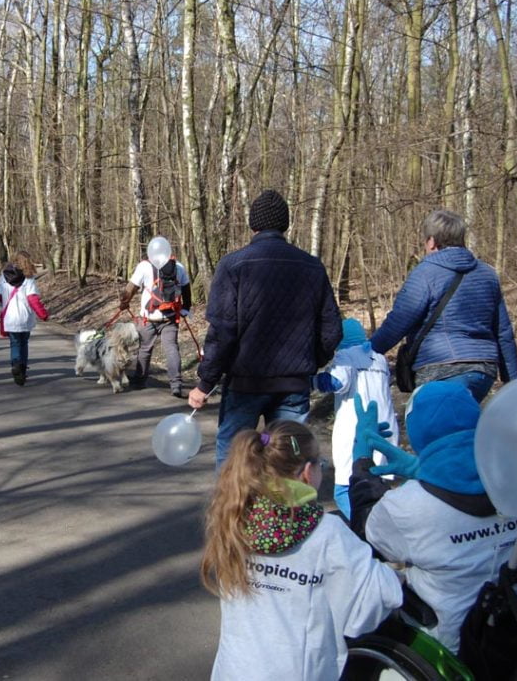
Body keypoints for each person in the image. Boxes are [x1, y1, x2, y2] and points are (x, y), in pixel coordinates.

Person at [349, 382, 517, 653]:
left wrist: (362, 463)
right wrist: (422, 469)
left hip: (459, 648)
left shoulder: (407, 506)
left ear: (417, 433)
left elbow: (365, 529)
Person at [201, 421, 403, 680]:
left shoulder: (233, 518)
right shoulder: (327, 533)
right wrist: (393, 578)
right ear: (308, 472)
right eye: (322, 463)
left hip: (234, 669)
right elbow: (365, 611)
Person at [188, 189, 343, 468]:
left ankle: (234, 512)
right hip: (294, 385)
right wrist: (308, 361)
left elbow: (222, 332)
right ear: (285, 224)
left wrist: (205, 383)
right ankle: (286, 513)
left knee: (235, 463)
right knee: (289, 465)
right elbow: (332, 331)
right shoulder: (312, 267)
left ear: (253, 224)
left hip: (245, 383)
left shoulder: (233, 265)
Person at [369, 209, 517, 403]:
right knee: (464, 427)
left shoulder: (425, 273)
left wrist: (367, 352)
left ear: (431, 241)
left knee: (434, 430)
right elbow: (503, 332)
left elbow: (399, 321)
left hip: (439, 368)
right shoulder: (487, 274)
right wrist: (513, 381)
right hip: (484, 370)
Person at [312, 318, 398, 520]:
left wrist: (312, 380)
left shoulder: (345, 356)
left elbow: (337, 382)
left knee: (344, 488)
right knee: (378, 482)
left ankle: (363, 529)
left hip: (355, 430)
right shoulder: (380, 358)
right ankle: (383, 527)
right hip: (384, 428)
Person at [118, 242, 193, 397]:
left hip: (148, 317)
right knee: (172, 349)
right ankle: (176, 384)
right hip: (171, 316)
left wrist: (123, 303)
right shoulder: (178, 266)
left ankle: (139, 380)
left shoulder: (144, 267)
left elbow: (130, 289)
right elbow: (186, 289)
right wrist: (186, 308)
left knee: (145, 348)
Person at [0, 251, 49, 386]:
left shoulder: (4, 276)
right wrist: (43, 314)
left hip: (10, 316)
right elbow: (32, 299)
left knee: (14, 344)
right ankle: (22, 370)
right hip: (24, 316)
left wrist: (6, 301)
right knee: (23, 343)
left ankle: (16, 365)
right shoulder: (28, 279)